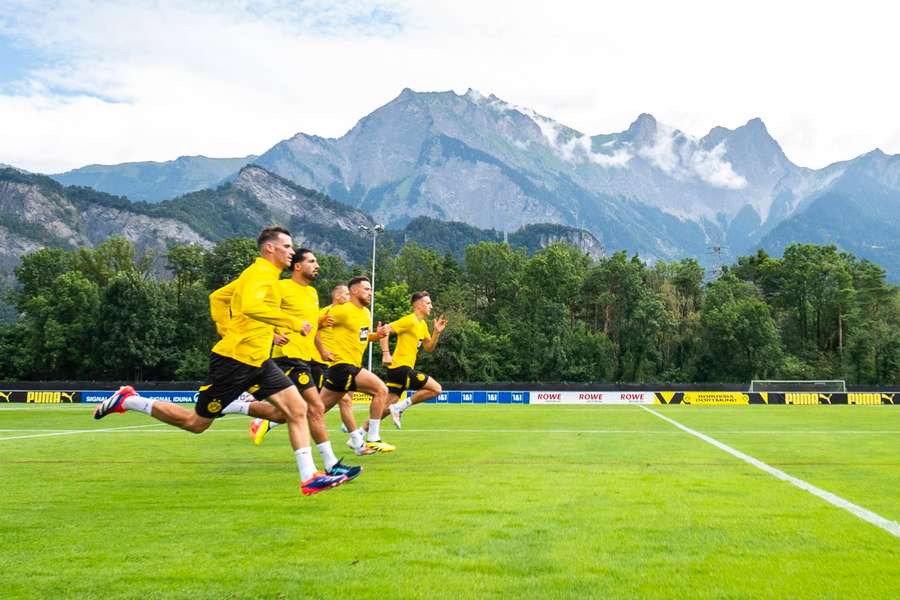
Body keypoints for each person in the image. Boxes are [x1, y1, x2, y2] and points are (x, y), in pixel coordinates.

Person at [92, 227, 347, 496]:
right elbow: (250, 306)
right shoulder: (259, 273)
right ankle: (128, 400)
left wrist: (227, 328)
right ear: (269, 248)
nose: (291, 252)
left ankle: (310, 478)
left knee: (295, 410)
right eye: (286, 246)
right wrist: (293, 323)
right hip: (234, 361)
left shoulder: (266, 275)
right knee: (196, 424)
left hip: (259, 360)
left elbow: (218, 297)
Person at [246, 250, 366, 472]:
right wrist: (272, 334)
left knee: (293, 411)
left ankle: (240, 408)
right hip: (287, 357)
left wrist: (320, 347)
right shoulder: (280, 287)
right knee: (315, 406)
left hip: (307, 358)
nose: (317, 265)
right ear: (298, 266)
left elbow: (312, 328)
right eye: (312, 261)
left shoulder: (312, 293)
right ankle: (331, 465)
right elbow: (253, 311)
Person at [319, 276, 394, 453]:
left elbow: (363, 337)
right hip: (343, 366)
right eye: (367, 289)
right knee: (381, 390)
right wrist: (322, 350)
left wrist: (378, 335)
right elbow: (312, 325)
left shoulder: (366, 313)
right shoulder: (341, 310)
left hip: (345, 368)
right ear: (354, 291)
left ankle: (271, 419)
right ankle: (373, 438)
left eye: (371, 290)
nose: (370, 293)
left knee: (315, 411)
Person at [378, 291, 447, 429]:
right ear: (418, 305)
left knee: (385, 409)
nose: (431, 306)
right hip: (400, 368)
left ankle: (359, 432)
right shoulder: (409, 320)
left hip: (399, 370)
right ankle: (400, 407)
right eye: (428, 303)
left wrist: (436, 333)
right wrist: (386, 353)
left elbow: (428, 347)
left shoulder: (422, 325)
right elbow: (384, 330)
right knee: (436, 389)